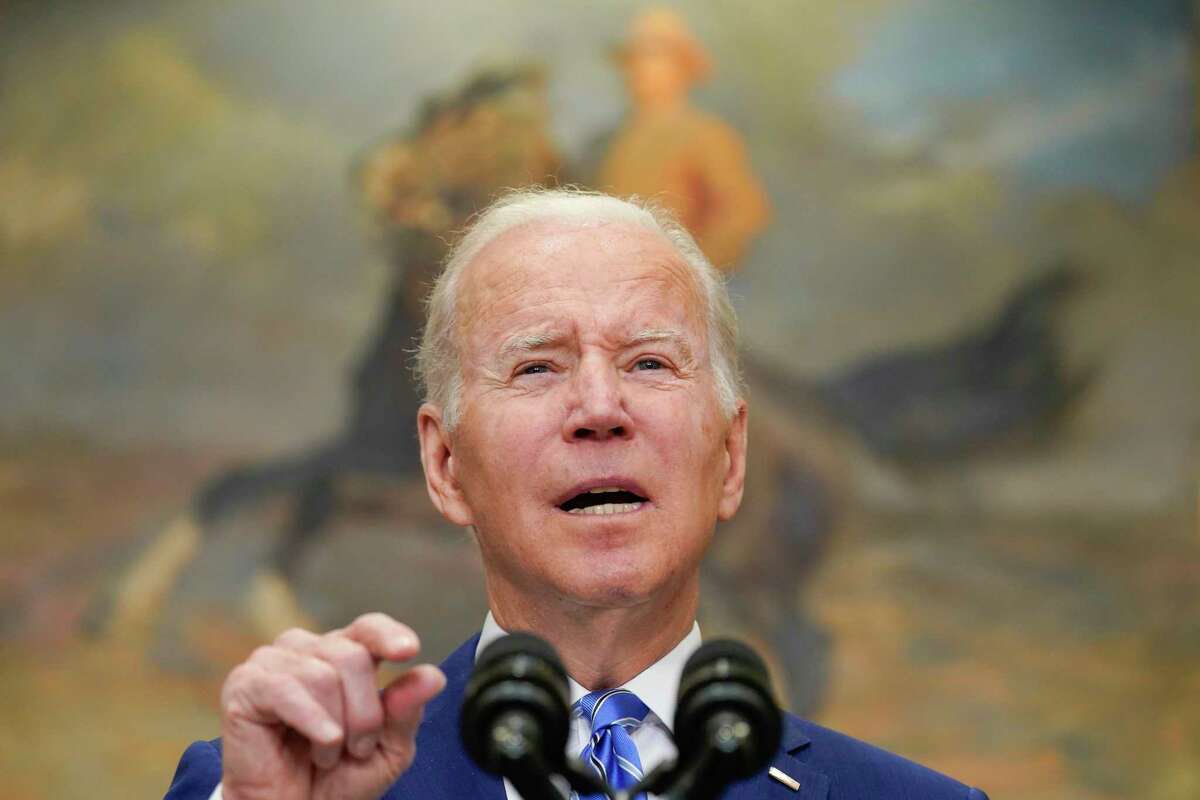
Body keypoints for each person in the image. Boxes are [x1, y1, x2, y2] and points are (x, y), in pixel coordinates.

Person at [163, 189, 987, 800]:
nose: (599, 409)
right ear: (446, 465)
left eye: (649, 363)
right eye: (536, 367)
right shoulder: (265, 790)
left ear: (731, 456)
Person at [597, 9, 770, 271]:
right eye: (634, 59)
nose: (638, 69)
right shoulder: (614, 140)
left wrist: (691, 272)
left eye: (653, 57)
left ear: (682, 67)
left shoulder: (705, 134)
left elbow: (744, 212)